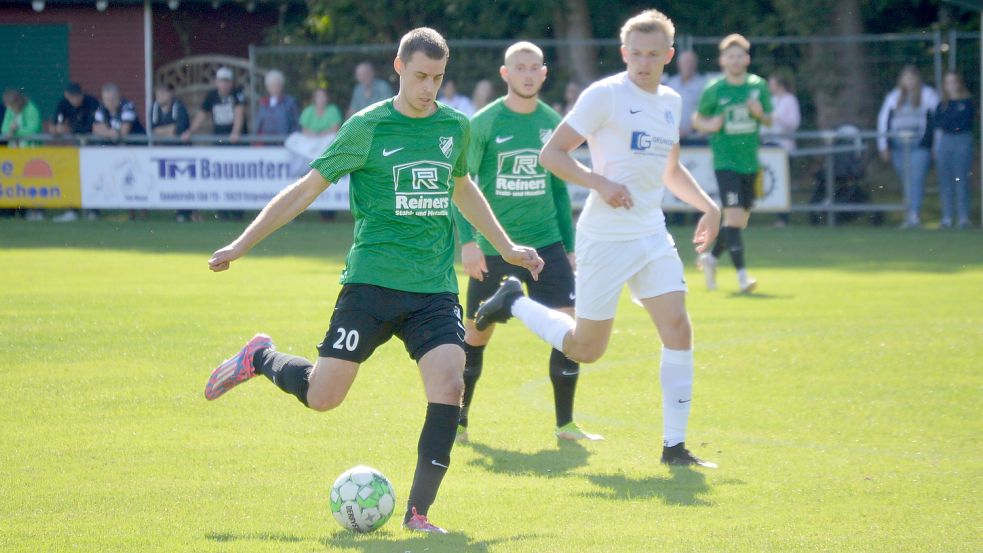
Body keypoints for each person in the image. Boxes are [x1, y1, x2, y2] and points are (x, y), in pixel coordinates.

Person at [202, 27, 544, 534]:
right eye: (421, 76)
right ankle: (260, 357)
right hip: (371, 285)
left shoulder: (454, 126)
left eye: (439, 78)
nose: (430, 88)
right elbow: (304, 190)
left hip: (433, 288)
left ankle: (418, 514)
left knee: (450, 385)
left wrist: (508, 246)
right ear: (399, 67)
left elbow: (463, 187)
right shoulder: (366, 127)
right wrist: (241, 245)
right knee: (324, 396)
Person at [474, 9, 720, 468]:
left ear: (669, 55)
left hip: (650, 232)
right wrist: (599, 182)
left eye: (653, 54)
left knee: (679, 327)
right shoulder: (604, 95)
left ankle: (674, 447)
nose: (643, 62)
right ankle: (513, 303)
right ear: (624, 53)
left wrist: (709, 205)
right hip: (605, 237)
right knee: (587, 349)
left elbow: (670, 168)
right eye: (636, 54)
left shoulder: (671, 100)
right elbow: (552, 155)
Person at [450, 41, 593, 444]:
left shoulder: (552, 122)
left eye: (535, 68)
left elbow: (559, 192)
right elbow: (460, 185)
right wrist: (469, 243)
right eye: (520, 68)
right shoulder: (484, 123)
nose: (528, 74)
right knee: (475, 335)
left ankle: (565, 425)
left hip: (547, 247)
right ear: (506, 74)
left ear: (544, 73)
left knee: (571, 332)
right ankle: (458, 421)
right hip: (495, 246)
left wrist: (567, 245)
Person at [692, 33, 772, 293]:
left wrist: (760, 114)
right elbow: (697, 119)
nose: (735, 60)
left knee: (738, 222)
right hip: (725, 161)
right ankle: (742, 277)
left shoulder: (758, 86)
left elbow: (770, 120)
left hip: (750, 162)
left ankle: (711, 258)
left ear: (747, 59)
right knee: (735, 217)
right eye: (730, 55)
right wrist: (710, 125)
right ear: (722, 60)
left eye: (740, 55)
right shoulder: (715, 89)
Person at [876, 64, 939, 228]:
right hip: (899, 146)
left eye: (912, 78)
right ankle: (909, 214)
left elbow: (936, 122)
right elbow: (883, 121)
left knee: (916, 179)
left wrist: (935, 146)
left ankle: (914, 215)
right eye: (906, 78)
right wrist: (883, 145)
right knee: (907, 181)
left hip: (920, 145)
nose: (909, 81)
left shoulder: (929, 95)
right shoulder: (893, 97)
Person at [934, 70, 974, 229]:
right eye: (947, 82)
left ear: (959, 83)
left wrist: (949, 122)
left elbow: (963, 123)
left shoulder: (967, 102)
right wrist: (950, 122)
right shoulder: (942, 104)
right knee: (945, 181)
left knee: (961, 179)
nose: (951, 86)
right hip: (945, 141)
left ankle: (963, 217)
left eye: (954, 82)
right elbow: (938, 122)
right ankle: (947, 217)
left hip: (962, 141)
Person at [297, 88, 344, 221]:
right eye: (318, 96)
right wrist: (317, 136)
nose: (321, 99)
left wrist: (318, 135)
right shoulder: (308, 111)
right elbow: (305, 131)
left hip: (326, 146)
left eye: (323, 96)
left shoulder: (333, 110)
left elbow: (335, 129)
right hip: (311, 146)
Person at [151, 83, 195, 222]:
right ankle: (179, 212)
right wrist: (168, 130)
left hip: (181, 152)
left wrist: (165, 131)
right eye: (158, 93)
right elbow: (153, 131)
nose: (160, 96)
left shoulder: (178, 107)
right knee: (171, 185)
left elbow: (179, 129)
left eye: (163, 93)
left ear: (170, 94)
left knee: (183, 184)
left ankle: (185, 212)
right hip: (165, 153)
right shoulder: (154, 108)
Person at [764, 69, 801, 227]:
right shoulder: (770, 100)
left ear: (779, 85)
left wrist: (777, 118)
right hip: (769, 146)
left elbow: (793, 123)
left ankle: (783, 218)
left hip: (784, 148)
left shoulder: (789, 100)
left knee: (783, 183)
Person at [1, 89, 43, 220]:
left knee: (33, 182)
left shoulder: (31, 109)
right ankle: (17, 210)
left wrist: (15, 132)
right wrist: (10, 130)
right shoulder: (10, 111)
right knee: (16, 182)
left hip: (31, 152)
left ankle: (36, 211)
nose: (9, 108)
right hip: (15, 153)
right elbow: (4, 129)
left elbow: (33, 129)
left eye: (10, 105)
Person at [183, 66, 247, 144]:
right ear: (216, 82)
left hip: (236, 140)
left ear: (232, 82)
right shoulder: (211, 95)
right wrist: (190, 131)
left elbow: (239, 113)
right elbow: (202, 114)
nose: (224, 84)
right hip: (219, 138)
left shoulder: (237, 93)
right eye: (221, 81)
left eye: (227, 81)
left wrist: (235, 132)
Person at [665, 49, 707, 145]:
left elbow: (707, 111)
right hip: (671, 138)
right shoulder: (671, 84)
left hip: (696, 139)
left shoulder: (703, 85)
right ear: (679, 64)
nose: (688, 65)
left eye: (691, 62)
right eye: (685, 62)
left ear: (696, 64)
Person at [254, 70, 300, 136]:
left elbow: (296, 123)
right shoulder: (263, 103)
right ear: (267, 87)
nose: (274, 88)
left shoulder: (290, 102)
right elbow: (258, 122)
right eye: (271, 85)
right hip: (266, 142)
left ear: (281, 86)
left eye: (277, 85)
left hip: (286, 141)